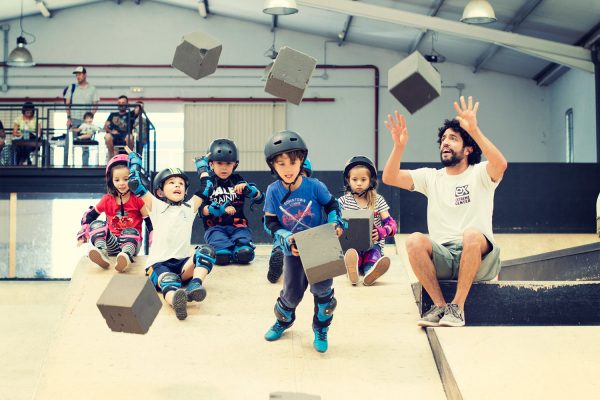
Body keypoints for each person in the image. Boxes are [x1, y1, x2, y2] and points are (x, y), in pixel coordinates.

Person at [382, 96, 508, 327]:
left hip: (479, 257)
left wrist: (474, 129)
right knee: (414, 241)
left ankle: (457, 308)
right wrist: (398, 147)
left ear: (468, 148)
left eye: (452, 138)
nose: (445, 143)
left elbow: (500, 164)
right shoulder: (432, 177)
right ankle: (440, 307)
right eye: (442, 139)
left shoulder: (480, 173)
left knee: (471, 234)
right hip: (445, 257)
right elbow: (389, 177)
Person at [262, 130, 347, 353]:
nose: (288, 168)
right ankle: (283, 321)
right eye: (281, 164)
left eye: (293, 162)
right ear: (273, 166)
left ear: (301, 161)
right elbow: (269, 223)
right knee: (290, 295)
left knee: (324, 295)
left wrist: (335, 224)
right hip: (293, 248)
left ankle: (321, 329)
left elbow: (332, 207)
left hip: (320, 244)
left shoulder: (314, 186)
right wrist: (285, 237)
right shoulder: (273, 191)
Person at [127, 151, 216, 321]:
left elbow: (208, 187)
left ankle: (195, 285)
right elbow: (134, 183)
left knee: (206, 252)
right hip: (159, 265)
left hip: (183, 265)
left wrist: (202, 165)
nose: (177, 186)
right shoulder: (156, 205)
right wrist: (134, 161)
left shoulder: (189, 207)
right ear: (160, 192)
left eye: (181, 184)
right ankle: (176, 300)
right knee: (169, 281)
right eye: (171, 183)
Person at [194, 139, 263, 266]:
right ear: (211, 164)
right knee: (222, 256)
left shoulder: (238, 180)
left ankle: (240, 246)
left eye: (228, 163)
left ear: (234, 165)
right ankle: (222, 248)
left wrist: (251, 190)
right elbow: (199, 210)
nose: (224, 167)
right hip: (215, 228)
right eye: (219, 163)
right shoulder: (208, 183)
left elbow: (259, 199)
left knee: (245, 254)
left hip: (239, 227)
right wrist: (214, 210)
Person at [76, 154, 150, 272]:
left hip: (132, 243)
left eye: (126, 179)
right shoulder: (107, 199)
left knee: (130, 232)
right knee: (97, 224)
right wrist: (83, 233)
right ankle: (102, 252)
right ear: (111, 181)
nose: (121, 183)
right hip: (112, 243)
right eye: (117, 180)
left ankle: (125, 257)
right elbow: (90, 216)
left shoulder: (137, 199)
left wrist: (154, 241)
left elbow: (149, 222)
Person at [339, 155, 397, 286]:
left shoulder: (378, 200)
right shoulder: (342, 202)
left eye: (363, 179)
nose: (359, 183)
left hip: (373, 245)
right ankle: (352, 271)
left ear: (370, 180)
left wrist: (382, 231)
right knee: (352, 255)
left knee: (372, 257)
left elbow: (391, 224)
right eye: (354, 179)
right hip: (351, 246)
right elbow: (335, 223)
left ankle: (370, 272)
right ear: (348, 180)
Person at [266, 157, 313, 283]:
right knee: (281, 243)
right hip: (286, 234)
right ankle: (277, 260)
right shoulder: (276, 193)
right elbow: (269, 221)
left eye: (301, 175)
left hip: (307, 234)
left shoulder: (313, 192)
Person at [65, 66, 99, 166]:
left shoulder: (92, 89)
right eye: (76, 75)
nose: (77, 76)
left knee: (85, 145)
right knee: (69, 143)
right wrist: (68, 118)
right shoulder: (72, 87)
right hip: (74, 119)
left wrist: (90, 118)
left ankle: (85, 166)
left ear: (85, 75)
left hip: (85, 121)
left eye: (79, 74)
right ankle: (66, 165)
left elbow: (95, 104)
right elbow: (67, 103)